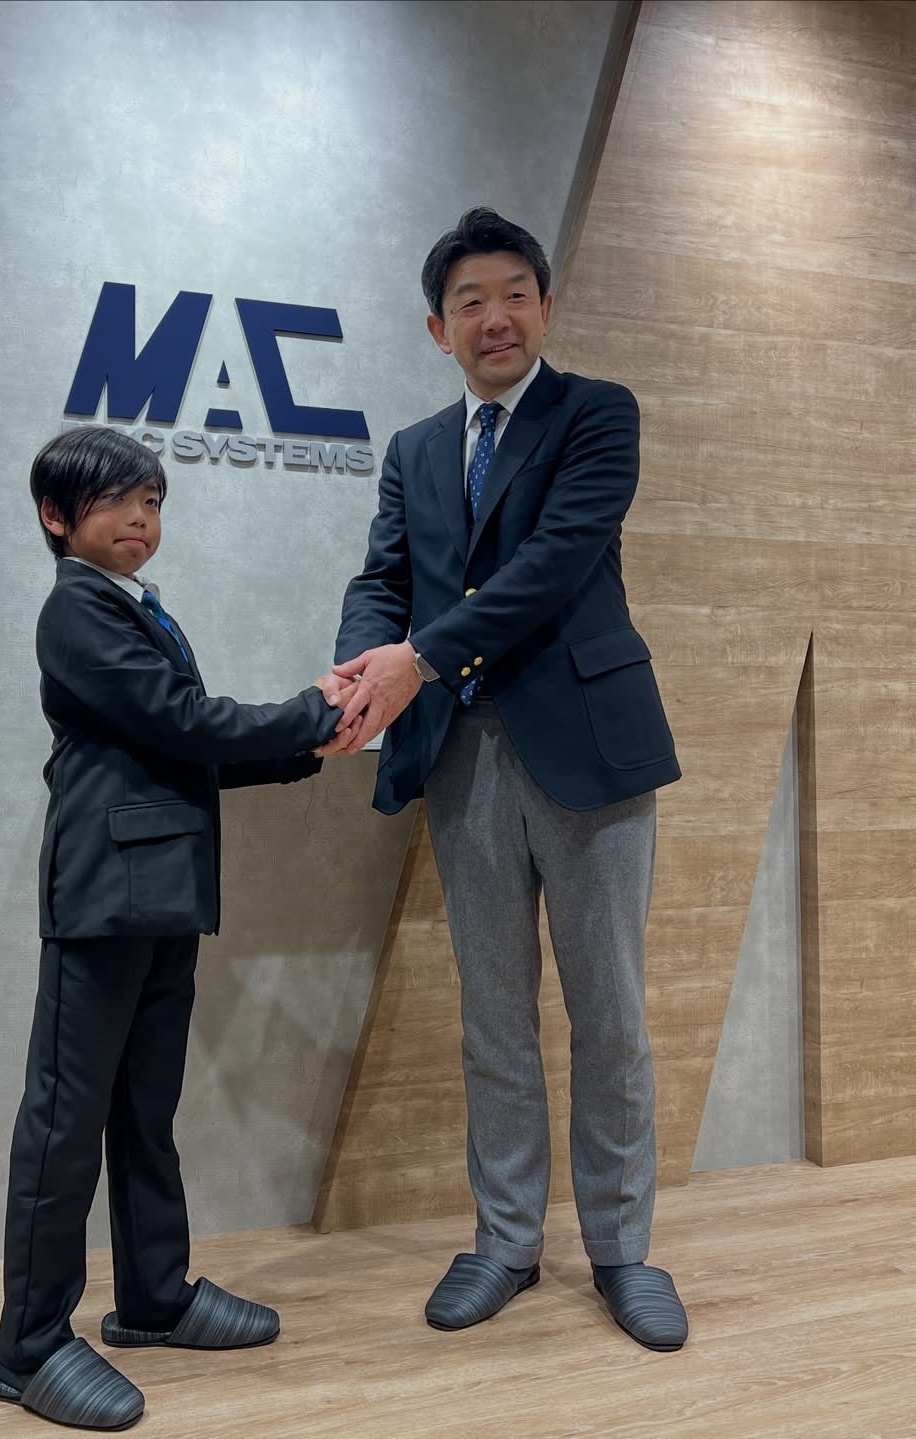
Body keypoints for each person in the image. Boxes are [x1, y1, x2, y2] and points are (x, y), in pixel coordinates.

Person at [322, 208, 687, 1351]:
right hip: (464, 756)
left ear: (545, 307)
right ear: (438, 327)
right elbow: (384, 578)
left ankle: (623, 1249)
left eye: (515, 294)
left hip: (591, 751)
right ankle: (506, 1239)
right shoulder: (415, 449)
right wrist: (360, 672)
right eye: (471, 301)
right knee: (493, 1013)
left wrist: (417, 658)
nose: (496, 316)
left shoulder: (598, 414)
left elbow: (551, 565)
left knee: (609, 1012)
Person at [0, 426, 355, 1430]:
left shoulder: (134, 606)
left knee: (144, 1107)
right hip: (104, 898)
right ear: (57, 516)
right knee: (64, 1122)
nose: (141, 518)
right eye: (117, 500)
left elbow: (178, 743)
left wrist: (307, 745)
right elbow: (181, 722)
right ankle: (27, 1347)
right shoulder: (76, 609)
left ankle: (154, 1296)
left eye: (152, 501)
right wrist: (308, 715)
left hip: (162, 893)